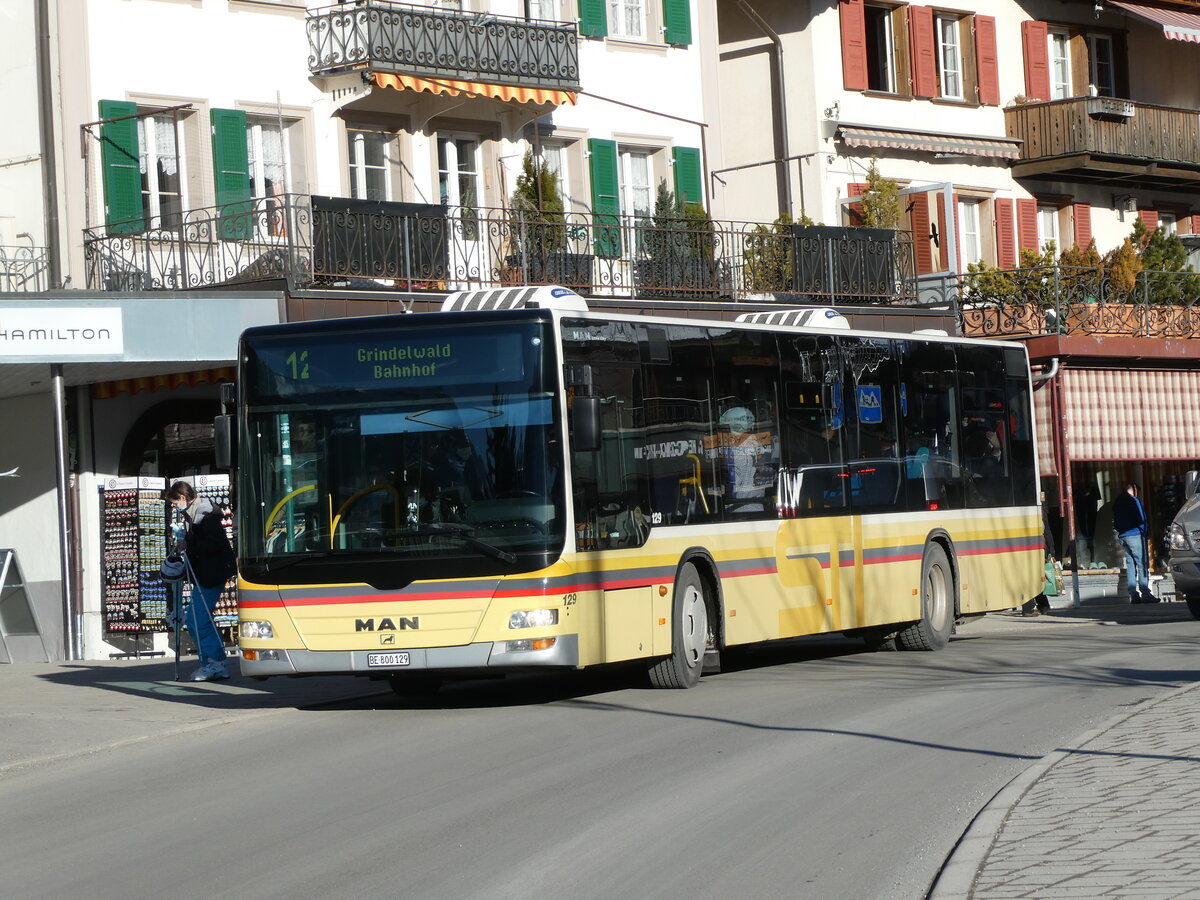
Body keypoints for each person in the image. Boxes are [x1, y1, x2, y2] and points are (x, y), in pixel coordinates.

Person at [166, 481, 236, 680]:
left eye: (174, 502)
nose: (175, 507)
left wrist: (189, 544)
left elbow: (213, 543)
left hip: (210, 574)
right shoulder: (197, 513)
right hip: (206, 574)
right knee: (198, 620)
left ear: (181, 498)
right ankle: (213, 662)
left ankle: (215, 663)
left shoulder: (204, 515)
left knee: (200, 621)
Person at [1112, 482, 1155, 604]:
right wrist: (1144, 533)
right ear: (1134, 491)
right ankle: (1146, 593)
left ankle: (1133, 594)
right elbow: (1142, 519)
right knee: (1142, 563)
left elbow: (1115, 521)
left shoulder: (1117, 502)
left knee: (1130, 564)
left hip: (1123, 536)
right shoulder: (1134, 501)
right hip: (1135, 535)